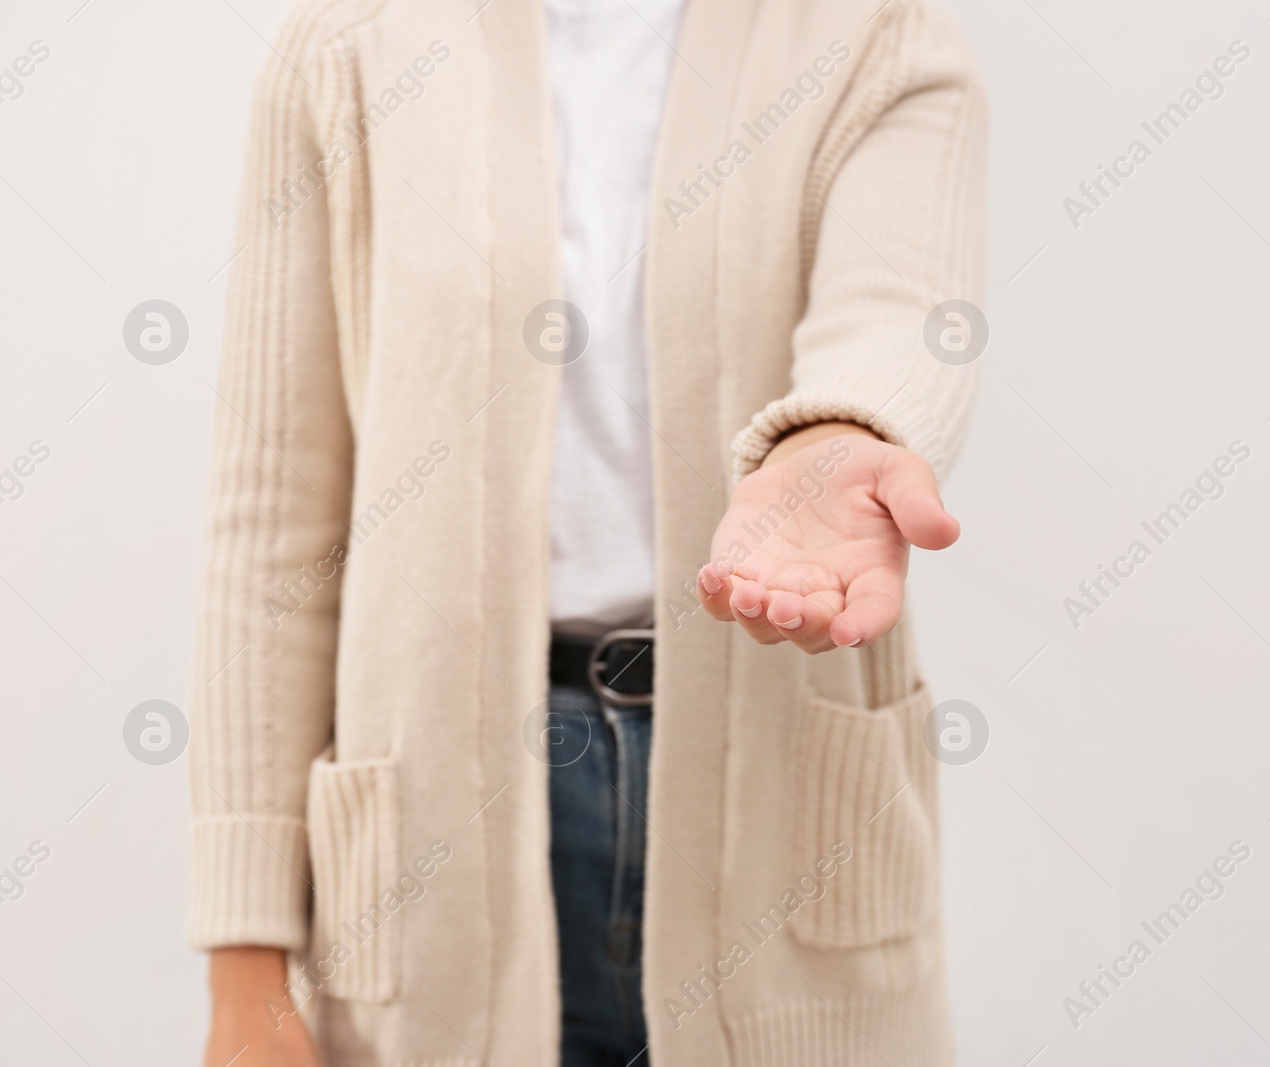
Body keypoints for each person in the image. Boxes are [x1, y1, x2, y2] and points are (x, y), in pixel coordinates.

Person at [191, 0, 986, 1063]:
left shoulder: (872, 32)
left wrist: (833, 435)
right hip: (434, 853)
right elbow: (273, 515)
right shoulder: (349, 42)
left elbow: (896, 305)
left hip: (787, 827)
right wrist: (247, 972)